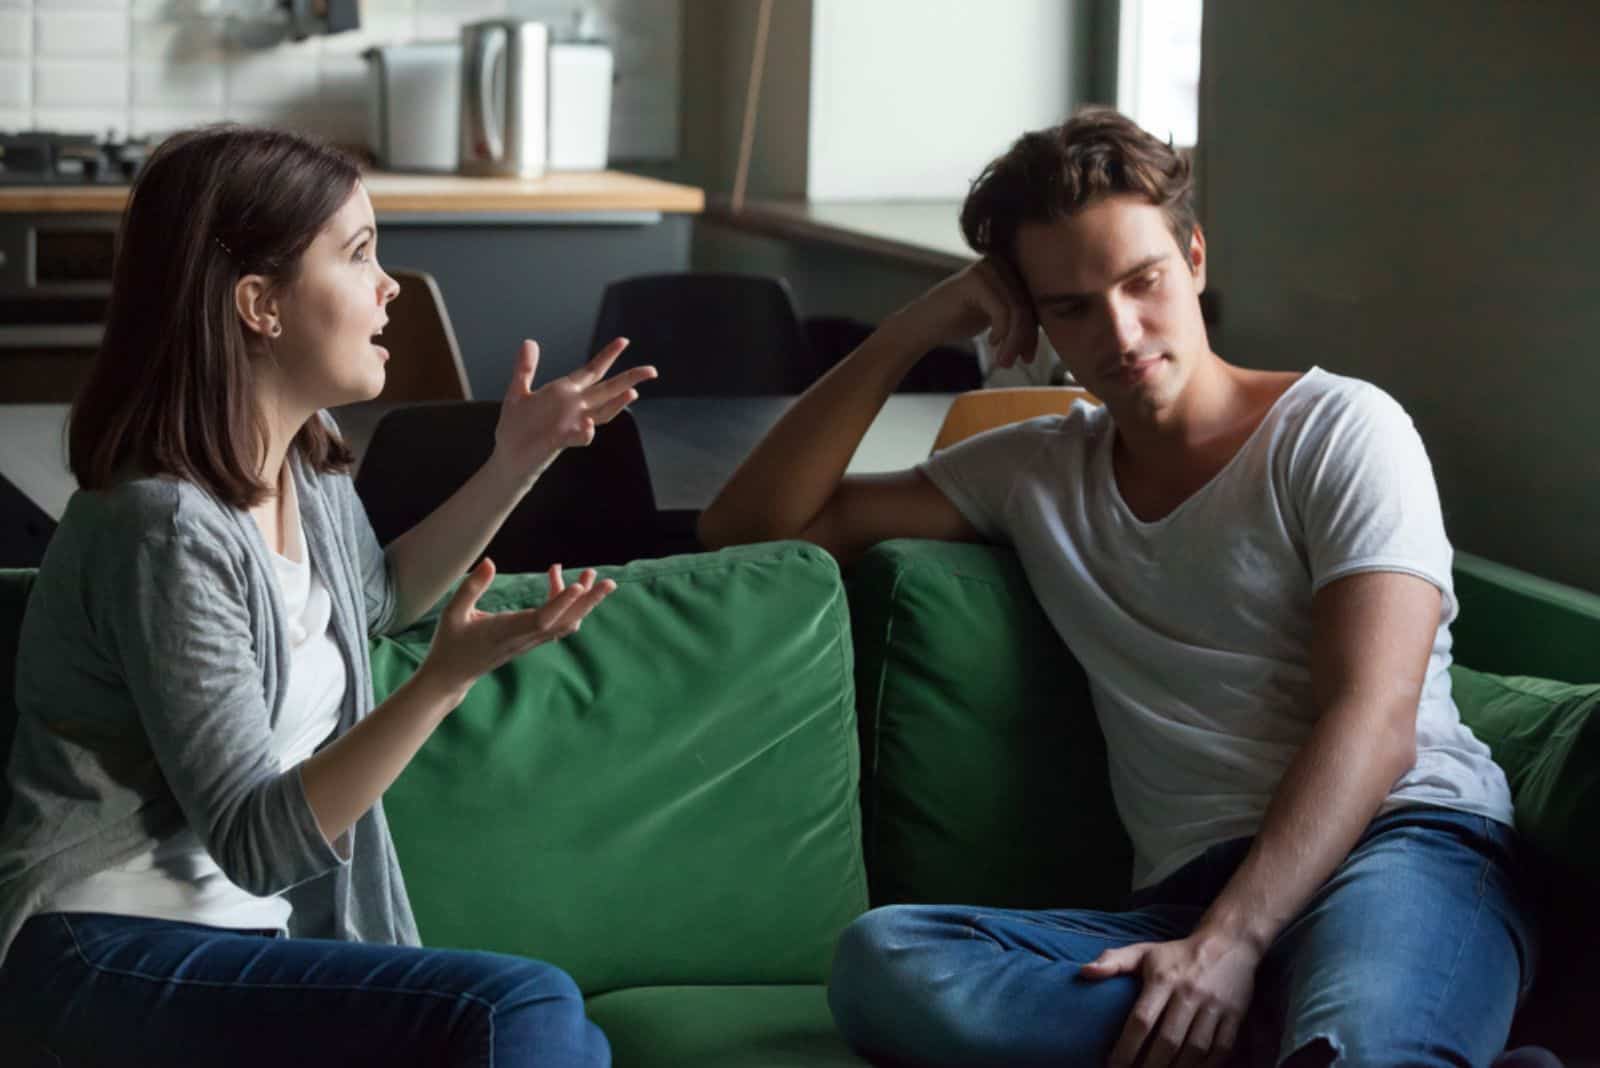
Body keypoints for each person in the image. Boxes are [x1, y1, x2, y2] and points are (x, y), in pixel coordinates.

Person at [698, 107, 1537, 1067]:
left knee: (1361, 1047)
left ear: (1194, 259)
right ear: (1032, 316)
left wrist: (1234, 945)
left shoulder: (1342, 429)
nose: (1121, 332)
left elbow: (1376, 716)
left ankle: (1315, 1026)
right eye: (1070, 306)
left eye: (1143, 282)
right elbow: (752, 527)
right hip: (1182, 901)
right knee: (886, 963)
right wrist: (920, 323)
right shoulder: (1033, 471)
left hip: (1401, 844)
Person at [0, 125, 656, 1066]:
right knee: (516, 1010)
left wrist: (520, 458)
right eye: (358, 255)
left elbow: (377, 599)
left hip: (237, 943)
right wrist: (440, 683)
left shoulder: (304, 471)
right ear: (259, 304)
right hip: (98, 954)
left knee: (556, 1032)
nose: (391, 286)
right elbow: (258, 845)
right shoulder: (165, 531)